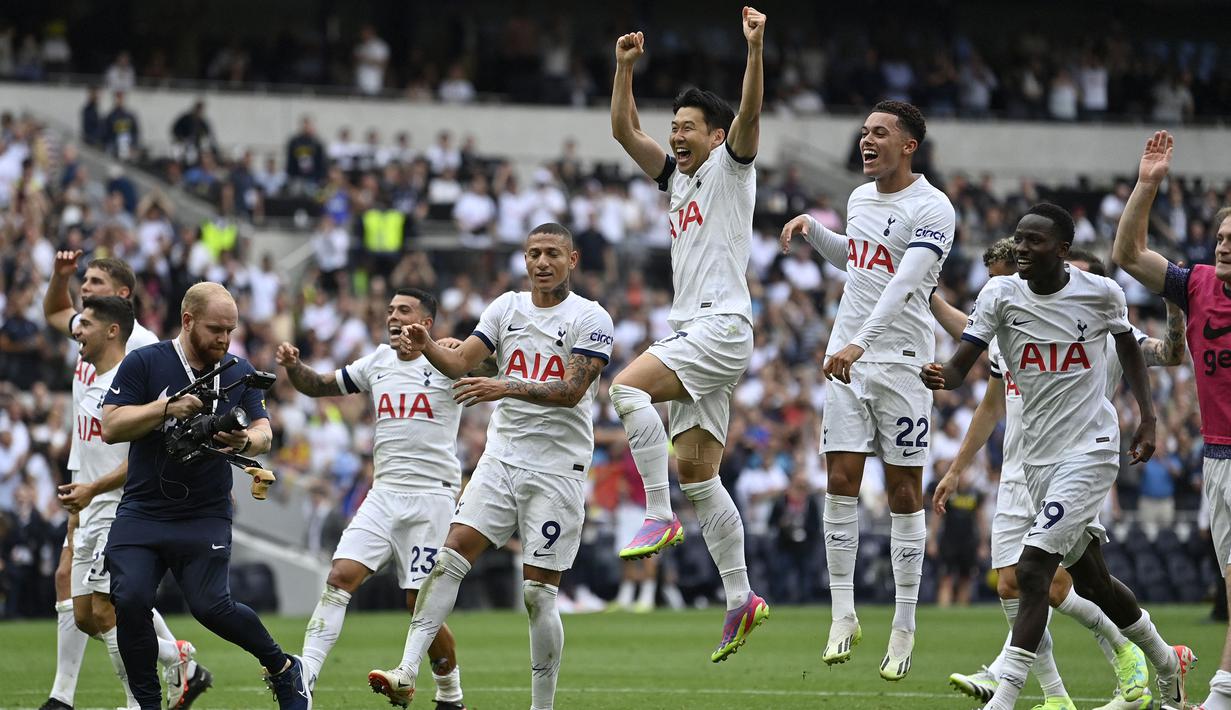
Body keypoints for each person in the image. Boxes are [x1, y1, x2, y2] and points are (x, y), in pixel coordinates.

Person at [923, 203, 1194, 710]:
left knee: (1031, 571)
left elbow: (1131, 348)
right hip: (1036, 461)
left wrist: (1149, 417)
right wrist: (941, 376)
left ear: (1063, 250)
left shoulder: (1101, 294)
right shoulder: (1000, 295)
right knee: (1093, 583)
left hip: (1091, 450)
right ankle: (1164, 659)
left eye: (1035, 241)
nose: (1022, 249)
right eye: (1019, 239)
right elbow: (963, 367)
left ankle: (1007, 697)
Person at [367, 223, 613, 709]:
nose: (541, 262)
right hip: (501, 458)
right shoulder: (506, 307)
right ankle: (406, 671)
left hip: (557, 468)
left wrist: (504, 385)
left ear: (572, 260)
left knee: (538, 594)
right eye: (533, 253)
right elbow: (460, 362)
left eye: (552, 253)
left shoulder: (591, 317)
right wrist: (428, 344)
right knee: (450, 556)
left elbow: (571, 391)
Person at [607, 6, 770, 662]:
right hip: (700, 330)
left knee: (625, 390)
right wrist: (624, 69)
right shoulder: (675, 178)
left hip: (719, 325)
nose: (676, 135)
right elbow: (624, 129)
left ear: (715, 135)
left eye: (687, 127)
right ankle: (741, 598)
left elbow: (751, 115)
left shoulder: (731, 167)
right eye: (673, 126)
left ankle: (656, 513)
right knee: (699, 476)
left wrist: (754, 51)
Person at [778, 99, 955, 679]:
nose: (867, 140)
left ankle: (904, 626)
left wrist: (860, 342)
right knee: (839, 482)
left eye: (879, 132)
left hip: (901, 363)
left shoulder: (933, 207)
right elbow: (858, 262)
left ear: (909, 145)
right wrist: (814, 231)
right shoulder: (858, 199)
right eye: (863, 132)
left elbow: (905, 283)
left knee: (903, 492)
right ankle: (843, 614)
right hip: (847, 362)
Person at [101, 282, 311, 710]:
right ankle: (147, 705)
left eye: (231, 330)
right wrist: (167, 408)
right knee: (131, 599)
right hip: (143, 509)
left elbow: (264, 432)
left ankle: (285, 668)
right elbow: (111, 425)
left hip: (205, 511)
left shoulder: (237, 370)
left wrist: (246, 442)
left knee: (212, 607)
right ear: (188, 320)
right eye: (216, 329)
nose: (224, 339)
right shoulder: (146, 361)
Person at [276, 288, 467, 707]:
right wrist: (294, 367)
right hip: (383, 494)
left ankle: (450, 694)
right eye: (390, 310)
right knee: (340, 576)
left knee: (419, 604)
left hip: (431, 497)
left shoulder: (449, 362)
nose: (393, 316)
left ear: (426, 322)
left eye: (404, 310)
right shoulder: (377, 361)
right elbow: (318, 385)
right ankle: (305, 678)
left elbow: (490, 361)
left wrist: (448, 347)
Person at [41, 253, 209, 710]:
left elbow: (151, 432)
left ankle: (115, 697)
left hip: (119, 489)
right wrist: (59, 275)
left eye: (94, 282)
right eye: (84, 281)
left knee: (109, 602)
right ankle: (174, 659)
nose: (84, 289)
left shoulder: (142, 349)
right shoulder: (90, 330)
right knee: (84, 602)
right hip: (87, 478)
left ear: (122, 297)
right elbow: (55, 312)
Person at [1111, 130, 1231, 710]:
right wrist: (1146, 185)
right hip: (1217, 455)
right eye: (1222, 237)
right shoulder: (1199, 284)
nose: (1224, 245)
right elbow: (1128, 255)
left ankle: (1222, 693)